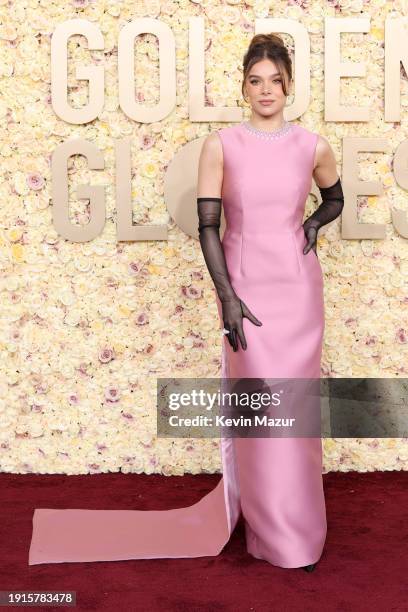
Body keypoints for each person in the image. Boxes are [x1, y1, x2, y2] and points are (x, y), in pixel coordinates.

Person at [28, 33, 344, 571]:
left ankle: (301, 535)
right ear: (244, 86)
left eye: (274, 80)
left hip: (298, 291)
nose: (265, 89)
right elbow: (208, 226)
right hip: (245, 289)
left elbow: (335, 198)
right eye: (254, 80)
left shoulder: (313, 145)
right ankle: (271, 536)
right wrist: (227, 297)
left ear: (288, 85)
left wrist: (313, 221)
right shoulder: (222, 144)